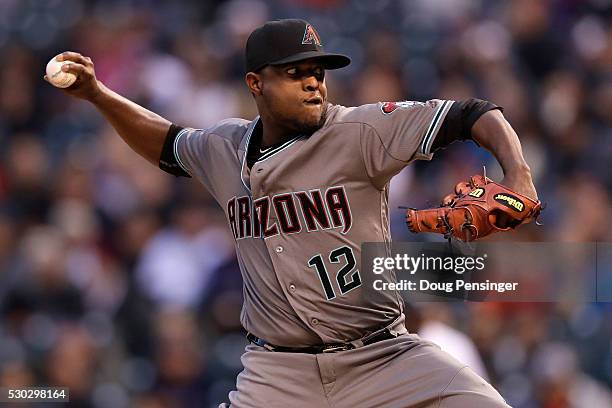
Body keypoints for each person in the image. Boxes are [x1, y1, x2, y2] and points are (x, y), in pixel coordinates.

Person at [47, 18, 537, 408]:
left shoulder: (358, 132)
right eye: (295, 72)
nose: (313, 84)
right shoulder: (225, 147)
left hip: (382, 355)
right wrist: (97, 94)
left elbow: (472, 113)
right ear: (256, 83)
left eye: (318, 72)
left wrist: (517, 173)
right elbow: (168, 144)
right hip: (279, 375)